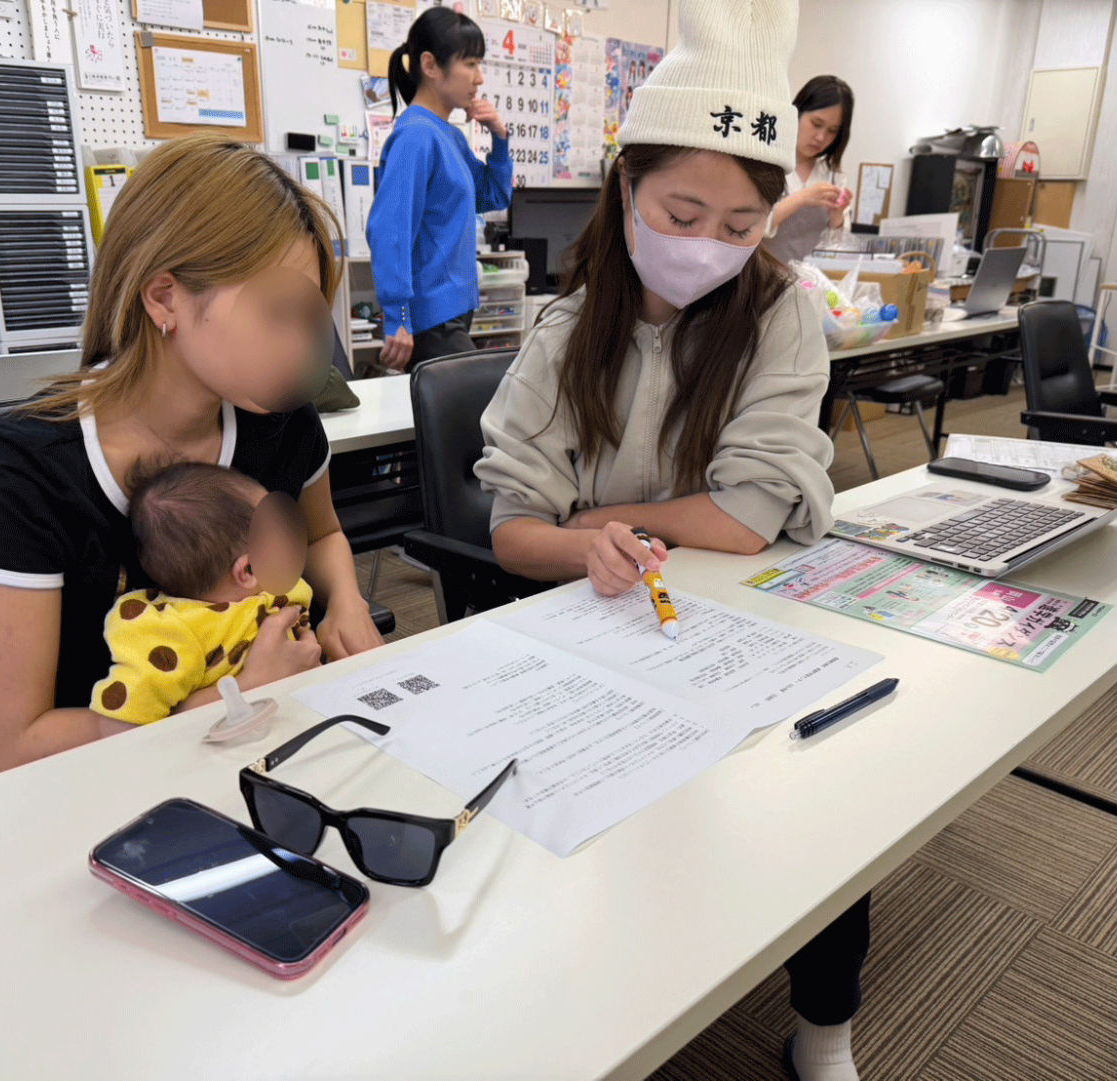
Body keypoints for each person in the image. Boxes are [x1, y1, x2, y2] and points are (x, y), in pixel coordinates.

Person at [474, 3, 869, 1078]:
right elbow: (513, 527)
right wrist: (579, 547)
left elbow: (749, 519)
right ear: (625, 188)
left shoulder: (780, 313)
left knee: (827, 797)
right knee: (594, 826)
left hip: (738, 617)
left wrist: (595, 519)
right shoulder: (565, 335)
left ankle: (824, 1028)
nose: (705, 246)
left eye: (739, 226)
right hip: (597, 626)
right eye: (681, 210)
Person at [0, 133, 385, 777]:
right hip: (100, 793)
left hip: (277, 754)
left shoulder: (281, 422)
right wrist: (235, 698)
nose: (301, 350)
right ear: (164, 299)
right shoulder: (27, 473)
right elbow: (5, 750)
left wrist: (346, 600)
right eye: (277, 314)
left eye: (309, 318)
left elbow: (321, 534)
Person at [90, 462, 321, 725]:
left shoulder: (276, 589)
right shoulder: (168, 631)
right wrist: (251, 683)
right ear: (248, 569)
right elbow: (125, 722)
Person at [368, 7, 512, 373]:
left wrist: (500, 139)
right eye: (471, 64)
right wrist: (397, 315)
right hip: (431, 318)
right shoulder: (416, 135)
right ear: (430, 66)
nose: (479, 78)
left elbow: (493, 196)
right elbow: (390, 230)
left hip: (455, 313)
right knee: (469, 419)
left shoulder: (448, 135)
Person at [763, 75, 856, 265]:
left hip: (814, 284)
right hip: (765, 279)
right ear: (797, 113)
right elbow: (750, 228)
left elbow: (839, 252)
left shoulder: (833, 177)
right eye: (816, 124)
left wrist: (836, 218)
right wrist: (803, 198)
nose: (821, 138)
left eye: (832, 131)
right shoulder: (768, 163)